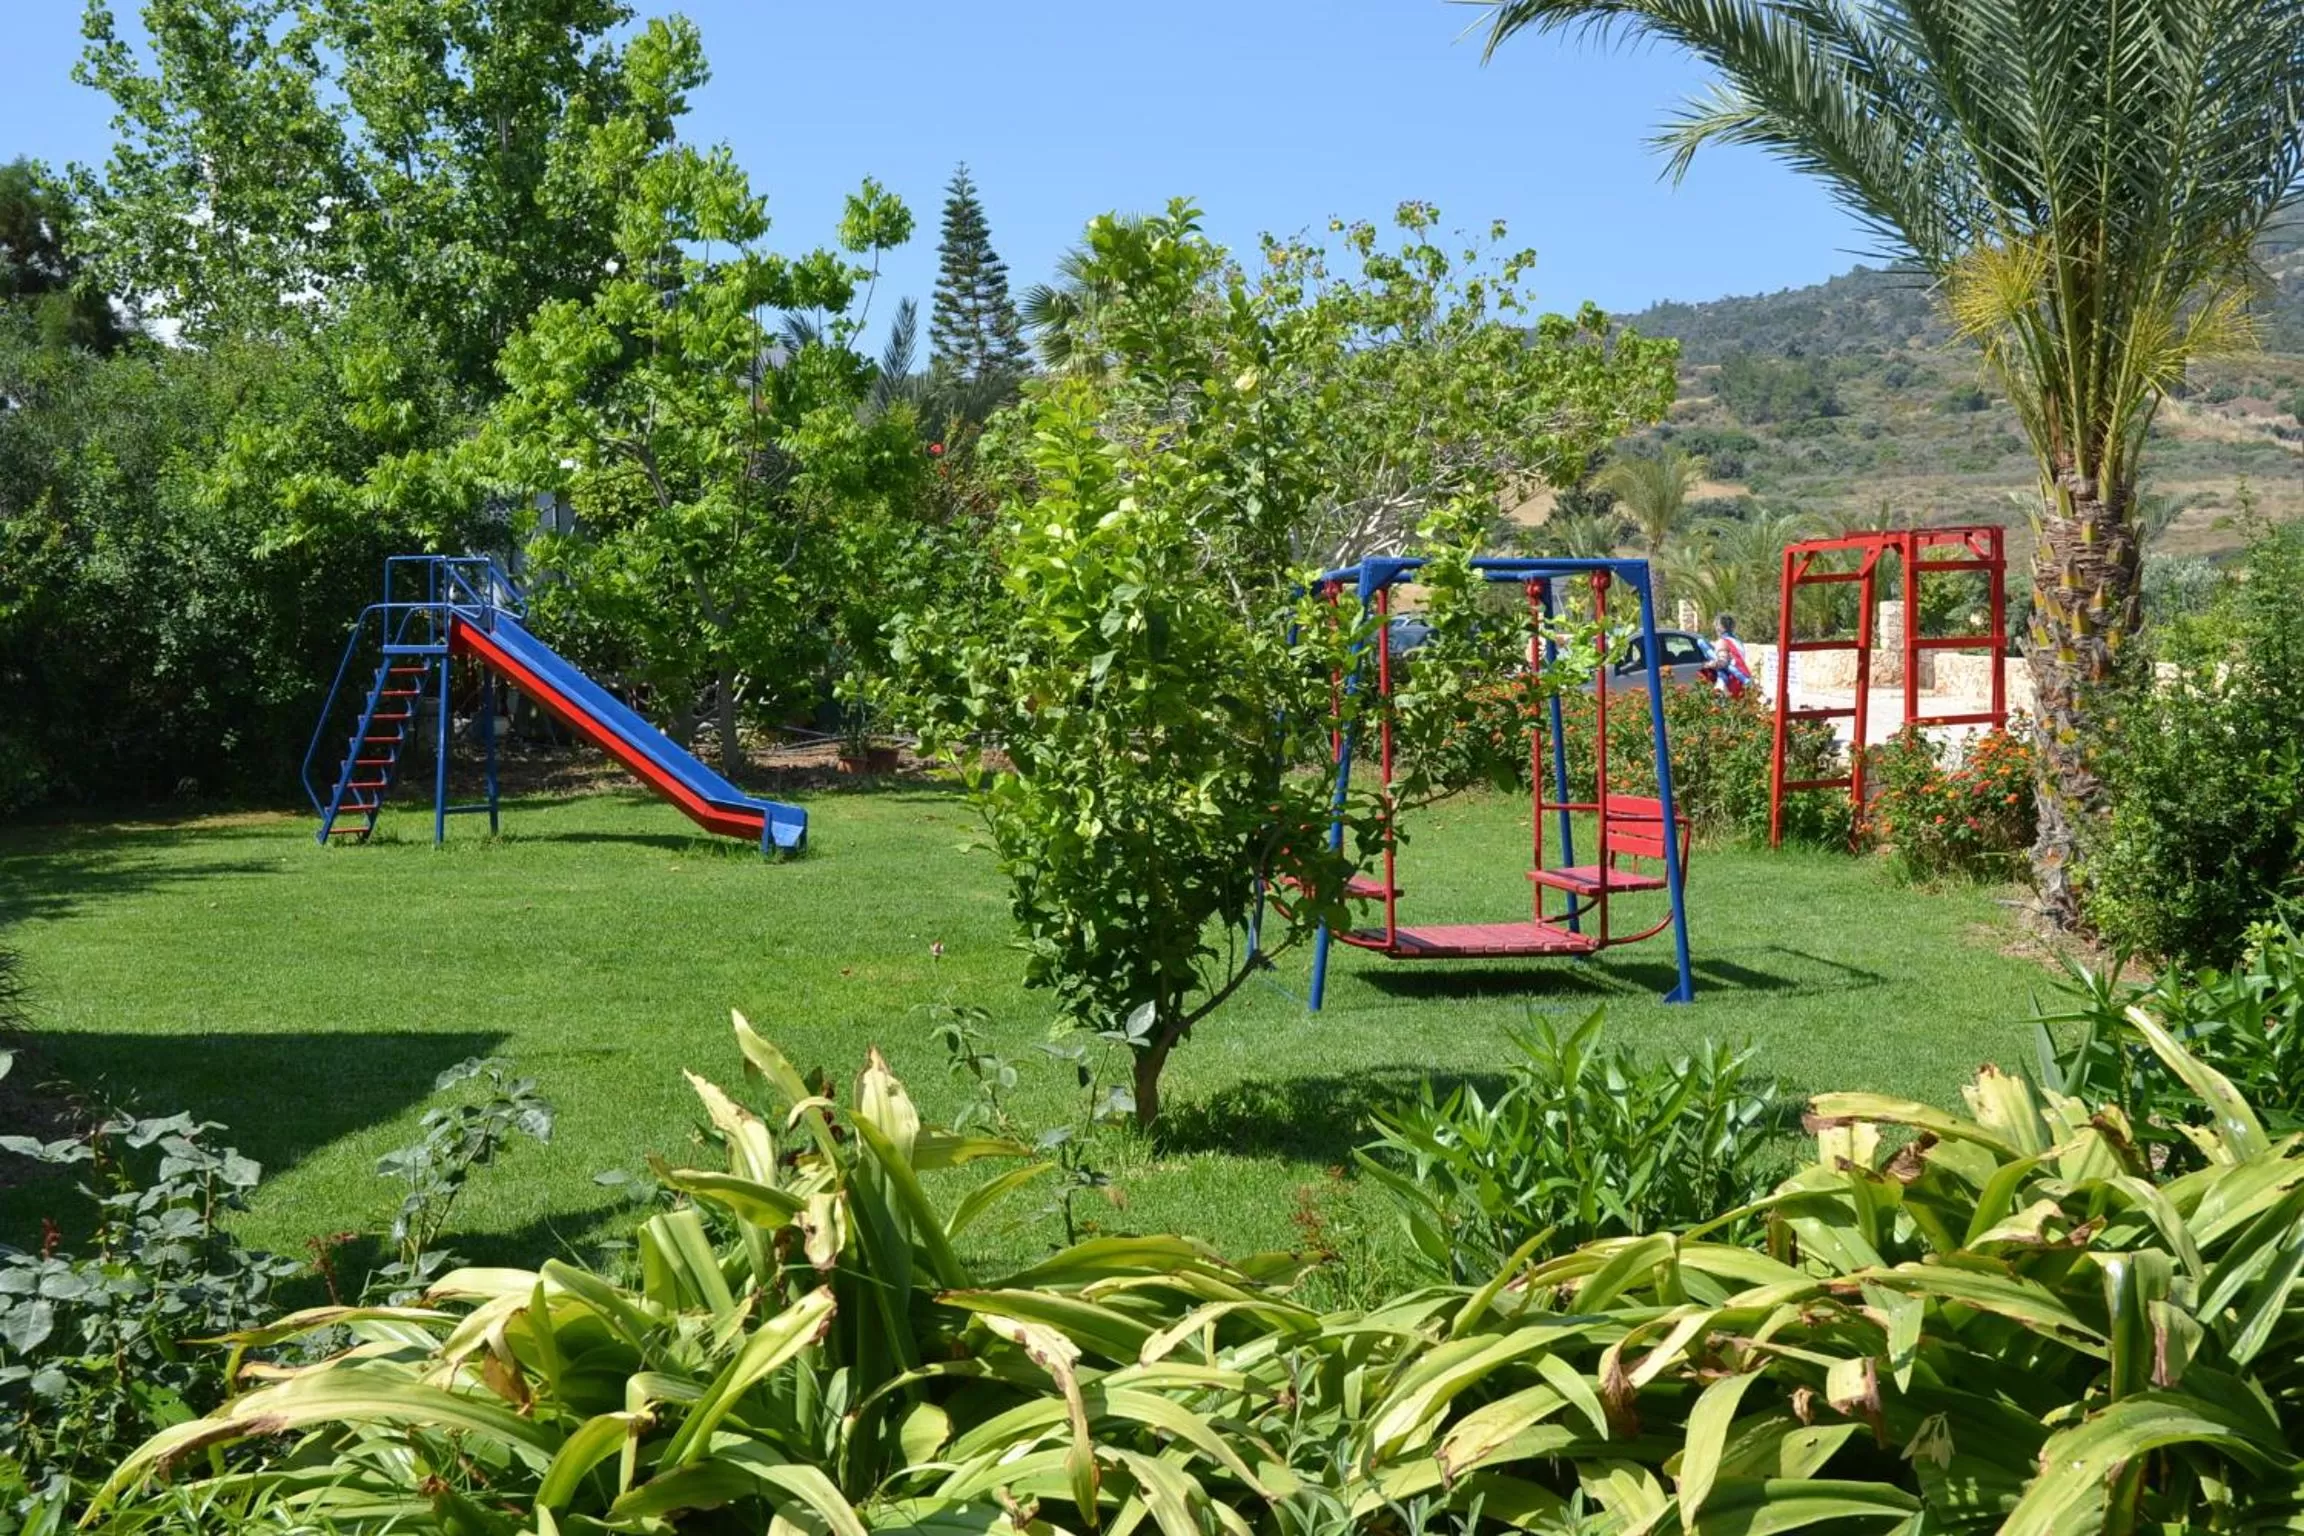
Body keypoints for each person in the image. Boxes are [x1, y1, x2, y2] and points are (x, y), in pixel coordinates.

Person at [1699, 613, 1752, 699]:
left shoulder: (1722, 642)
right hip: (1742, 679)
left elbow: (1723, 663)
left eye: (1716, 625)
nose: (1715, 628)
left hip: (1729, 683)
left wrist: (1708, 664)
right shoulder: (1738, 642)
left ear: (1720, 627)